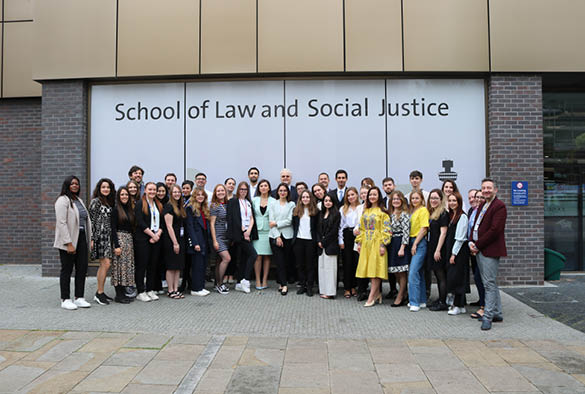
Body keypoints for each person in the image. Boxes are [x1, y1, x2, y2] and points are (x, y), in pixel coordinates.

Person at [469, 178, 507, 331]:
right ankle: (497, 313)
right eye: (484, 188)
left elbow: (494, 230)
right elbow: (475, 225)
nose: (486, 190)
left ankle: (488, 316)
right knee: (489, 282)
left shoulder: (499, 206)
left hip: (489, 250)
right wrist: (471, 241)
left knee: (489, 284)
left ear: (495, 190)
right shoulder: (483, 205)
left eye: (489, 188)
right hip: (479, 249)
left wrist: (477, 245)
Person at [54, 175, 92, 310]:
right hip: (68, 240)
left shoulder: (78, 200)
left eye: (77, 184)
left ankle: (79, 297)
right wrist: (68, 243)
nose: (75, 185)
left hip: (81, 238)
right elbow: (61, 223)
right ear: (67, 185)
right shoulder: (62, 200)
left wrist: (90, 239)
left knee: (82, 269)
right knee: (67, 269)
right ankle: (65, 299)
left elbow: (85, 220)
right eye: (72, 184)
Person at [355, 187, 391, 307]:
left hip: (377, 243)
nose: (372, 197)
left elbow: (387, 230)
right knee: (369, 270)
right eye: (370, 195)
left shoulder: (383, 212)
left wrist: (383, 244)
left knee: (376, 270)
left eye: (375, 194)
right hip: (366, 243)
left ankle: (372, 296)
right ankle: (377, 293)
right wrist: (359, 243)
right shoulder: (366, 211)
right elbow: (361, 228)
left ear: (379, 196)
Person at [227, 182, 258, 293]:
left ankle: (239, 282)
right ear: (238, 190)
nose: (243, 191)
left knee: (244, 258)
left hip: (247, 233)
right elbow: (234, 218)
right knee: (253, 254)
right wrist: (243, 232)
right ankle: (246, 279)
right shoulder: (233, 202)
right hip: (238, 234)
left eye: (245, 189)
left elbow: (251, 218)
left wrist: (248, 231)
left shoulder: (248, 202)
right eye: (241, 189)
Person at [134, 182, 163, 302]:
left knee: (153, 265)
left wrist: (157, 235)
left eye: (154, 190)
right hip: (143, 238)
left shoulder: (158, 204)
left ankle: (150, 289)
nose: (152, 192)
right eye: (150, 189)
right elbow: (140, 222)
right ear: (145, 190)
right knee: (142, 265)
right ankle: (140, 291)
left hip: (156, 237)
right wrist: (152, 234)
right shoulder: (140, 204)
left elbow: (162, 222)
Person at [89, 178, 116, 305]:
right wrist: (92, 239)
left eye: (108, 187)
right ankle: (99, 293)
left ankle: (100, 292)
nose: (106, 189)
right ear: (99, 189)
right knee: (105, 264)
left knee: (105, 265)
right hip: (100, 237)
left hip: (108, 238)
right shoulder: (96, 202)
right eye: (103, 187)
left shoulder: (109, 202)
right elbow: (91, 222)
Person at [446, 192, 470, 315]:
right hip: (453, 251)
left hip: (459, 252)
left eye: (454, 201)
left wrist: (453, 254)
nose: (452, 203)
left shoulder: (462, 217)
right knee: (454, 278)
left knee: (457, 279)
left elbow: (460, 238)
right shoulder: (452, 215)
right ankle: (460, 306)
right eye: (450, 201)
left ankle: (457, 305)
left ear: (459, 202)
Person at [269, 183, 295, 295]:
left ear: (287, 192)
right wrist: (277, 236)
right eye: (280, 190)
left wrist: (277, 223)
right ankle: (284, 285)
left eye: (285, 190)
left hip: (288, 236)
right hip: (275, 236)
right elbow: (271, 222)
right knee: (279, 261)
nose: (283, 192)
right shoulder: (273, 204)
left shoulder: (291, 204)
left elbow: (289, 220)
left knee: (285, 261)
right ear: (277, 192)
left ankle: (281, 282)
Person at [110, 187, 136, 304]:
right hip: (120, 240)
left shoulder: (130, 210)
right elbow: (113, 229)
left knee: (126, 268)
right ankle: (118, 295)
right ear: (118, 197)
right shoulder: (115, 210)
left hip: (129, 240)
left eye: (126, 194)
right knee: (119, 268)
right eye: (122, 195)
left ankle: (124, 292)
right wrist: (116, 245)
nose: (124, 196)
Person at [426, 189, 449, 311]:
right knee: (437, 274)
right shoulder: (432, 212)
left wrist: (438, 250)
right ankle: (440, 298)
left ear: (441, 200)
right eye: (431, 198)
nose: (433, 200)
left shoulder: (443, 213)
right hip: (432, 247)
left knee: (441, 276)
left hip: (439, 249)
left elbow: (443, 233)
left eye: (436, 198)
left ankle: (443, 302)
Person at [292, 190, 319, 297]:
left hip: (310, 241)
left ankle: (309, 287)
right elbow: (294, 225)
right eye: (303, 197)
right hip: (298, 240)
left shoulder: (315, 211)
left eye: (307, 197)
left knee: (310, 265)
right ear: (300, 199)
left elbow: (317, 227)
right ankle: (302, 285)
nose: (305, 199)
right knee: (300, 264)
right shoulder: (296, 210)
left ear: (311, 198)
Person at [162, 184, 186, 299]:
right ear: (171, 194)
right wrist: (175, 243)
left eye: (178, 192)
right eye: (174, 192)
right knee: (171, 266)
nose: (177, 194)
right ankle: (170, 290)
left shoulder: (179, 206)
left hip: (180, 239)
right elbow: (169, 226)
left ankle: (176, 289)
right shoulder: (168, 206)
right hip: (171, 240)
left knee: (178, 266)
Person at [186, 188, 210, 297]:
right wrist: (195, 243)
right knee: (197, 265)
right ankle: (195, 289)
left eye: (202, 195)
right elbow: (190, 227)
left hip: (204, 239)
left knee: (203, 264)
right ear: (194, 197)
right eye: (198, 195)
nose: (200, 197)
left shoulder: (204, 208)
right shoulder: (190, 209)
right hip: (197, 240)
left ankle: (201, 286)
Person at [408, 190, 429, 312]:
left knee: (413, 272)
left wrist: (415, 244)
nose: (414, 200)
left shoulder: (423, 210)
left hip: (419, 243)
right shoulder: (412, 211)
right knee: (419, 272)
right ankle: (422, 300)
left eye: (417, 198)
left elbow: (424, 229)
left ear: (422, 199)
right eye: (412, 198)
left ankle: (414, 302)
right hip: (412, 241)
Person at [387, 191, 410, 307]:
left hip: (400, 243)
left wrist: (402, 248)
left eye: (398, 199)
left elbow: (406, 232)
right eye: (394, 199)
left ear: (402, 201)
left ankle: (400, 296)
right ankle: (404, 293)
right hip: (392, 243)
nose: (396, 201)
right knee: (395, 271)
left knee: (402, 272)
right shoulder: (390, 214)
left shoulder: (405, 214)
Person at [252, 180, 274, 290]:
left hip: (269, 231)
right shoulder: (254, 200)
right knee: (257, 256)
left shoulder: (273, 201)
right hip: (257, 232)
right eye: (261, 186)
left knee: (267, 256)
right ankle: (257, 279)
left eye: (266, 185)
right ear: (259, 188)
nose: (264, 187)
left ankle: (265, 279)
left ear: (269, 188)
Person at [317, 194, 341, 299]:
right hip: (321, 246)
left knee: (330, 270)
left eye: (330, 201)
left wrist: (324, 241)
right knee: (322, 268)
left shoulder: (336, 214)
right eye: (325, 200)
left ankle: (330, 292)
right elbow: (317, 229)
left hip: (330, 246)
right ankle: (323, 290)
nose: (327, 202)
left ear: (333, 202)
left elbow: (334, 231)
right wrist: (319, 241)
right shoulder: (321, 214)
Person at [209, 184, 231, 294]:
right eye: (218, 191)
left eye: (222, 190)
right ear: (215, 193)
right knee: (226, 258)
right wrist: (214, 240)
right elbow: (212, 224)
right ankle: (220, 284)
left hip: (226, 236)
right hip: (218, 237)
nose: (221, 193)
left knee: (219, 261)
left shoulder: (227, 204)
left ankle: (216, 283)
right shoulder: (214, 206)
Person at [339, 187, 360, 298]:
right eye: (349, 195)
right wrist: (340, 240)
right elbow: (340, 226)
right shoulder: (343, 209)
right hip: (347, 235)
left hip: (357, 235)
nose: (351, 197)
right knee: (347, 262)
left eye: (353, 194)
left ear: (357, 195)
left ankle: (354, 287)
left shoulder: (361, 208)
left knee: (356, 262)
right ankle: (347, 288)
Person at [468, 190, 486, 319]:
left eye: (480, 197)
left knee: (482, 278)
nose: (476, 199)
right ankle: (481, 301)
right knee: (477, 276)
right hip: (473, 248)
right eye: (475, 197)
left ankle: (484, 307)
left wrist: (477, 245)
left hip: (481, 249)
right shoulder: (472, 211)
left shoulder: (485, 211)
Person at [353, 185, 372, 301]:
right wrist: (356, 229)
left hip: (371, 240)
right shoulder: (359, 208)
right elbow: (357, 222)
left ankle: (374, 290)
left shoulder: (374, 208)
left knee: (370, 266)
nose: (364, 195)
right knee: (360, 265)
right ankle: (361, 290)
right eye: (362, 193)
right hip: (359, 240)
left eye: (366, 193)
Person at [381, 177, 398, 299]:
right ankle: (393, 289)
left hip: (398, 236)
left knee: (400, 266)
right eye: (386, 185)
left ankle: (403, 291)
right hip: (385, 236)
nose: (388, 187)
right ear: (383, 188)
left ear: (394, 186)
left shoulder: (400, 200)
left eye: (390, 185)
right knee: (389, 265)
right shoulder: (381, 202)